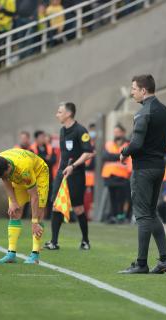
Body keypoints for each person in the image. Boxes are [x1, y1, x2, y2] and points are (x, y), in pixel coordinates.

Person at [118, 74, 166, 274]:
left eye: (134, 88)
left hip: (144, 169)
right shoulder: (165, 111)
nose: (132, 92)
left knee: (142, 216)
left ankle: (141, 263)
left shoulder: (144, 112)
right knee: (151, 213)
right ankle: (164, 260)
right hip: (159, 167)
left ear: (143, 90)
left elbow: (137, 144)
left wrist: (123, 152)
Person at [44, 102, 94, 250]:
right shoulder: (62, 131)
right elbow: (64, 154)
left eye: (59, 112)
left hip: (76, 174)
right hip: (62, 174)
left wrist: (73, 166)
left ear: (68, 114)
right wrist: (61, 170)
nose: (57, 114)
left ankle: (85, 241)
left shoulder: (81, 130)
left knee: (78, 208)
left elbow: (88, 152)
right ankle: (54, 242)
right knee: (55, 206)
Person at [0, 148, 49, 264]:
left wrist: (34, 222)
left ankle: (35, 255)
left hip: (39, 173)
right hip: (19, 177)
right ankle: (11, 254)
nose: (5, 177)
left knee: (39, 211)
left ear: (9, 166)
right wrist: (13, 201)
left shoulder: (24, 168)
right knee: (14, 212)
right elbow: (5, 179)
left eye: (6, 174)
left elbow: (34, 196)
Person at [102, 124, 131, 224]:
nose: (116, 134)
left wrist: (114, 156)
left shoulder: (127, 144)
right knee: (112, 197)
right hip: (109, 175)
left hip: (123, 175)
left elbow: (127, 156)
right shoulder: (109, 144)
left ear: (123, 133)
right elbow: (105, 156)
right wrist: (120, 155)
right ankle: (114, 216)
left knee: (121, 197)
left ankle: (121, 216)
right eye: (115, 132)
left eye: (118, 132)